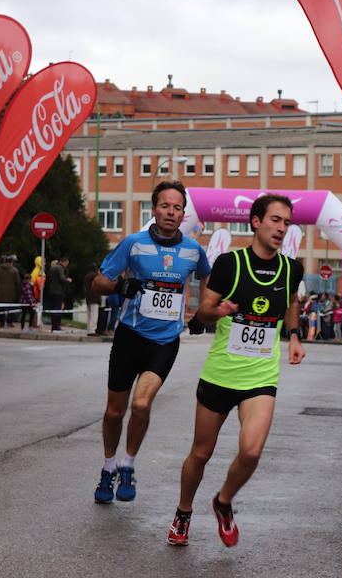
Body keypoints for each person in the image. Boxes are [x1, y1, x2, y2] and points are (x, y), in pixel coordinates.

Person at [167, 193, 304, 547]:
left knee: (252, 452)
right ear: (256, 222)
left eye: (286, 222)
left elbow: (290, 301)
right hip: (220, 374)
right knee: (201, 453)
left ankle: (223, 501)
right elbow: (202, 313)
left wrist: (294, 336)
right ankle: (183, 512)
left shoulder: (292, 268)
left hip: (260, 377)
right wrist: (220, 310)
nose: (281, 228)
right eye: (275, 220)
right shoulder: (229, 264)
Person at [91, 180, 210, 505]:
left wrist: (202, 312)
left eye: (177, 208)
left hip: (165, 341)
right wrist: (120, 287)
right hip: (129, 337)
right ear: (154, 209)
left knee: (142, 404)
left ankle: (128, 465)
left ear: (183, 213)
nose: (171, 213)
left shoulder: (193, 251)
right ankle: (108, 466)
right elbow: (99, 282)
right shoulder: (133, 244)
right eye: (165, 206)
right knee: (114, 412)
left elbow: (208, 280)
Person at [0, 255, 20, 328]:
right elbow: (17, 282)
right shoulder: (14, 270)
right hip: (11, 292)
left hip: (0, 292)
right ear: (11, 262)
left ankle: (2, 323)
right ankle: (9, 322)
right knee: (11, 308)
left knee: (1, 308)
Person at [46, 257, 71, 331]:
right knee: (58, 309)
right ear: (65, 262)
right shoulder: (60, 268)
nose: (67, 265)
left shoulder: (52, 268)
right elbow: (62, 279)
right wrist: (68, 280)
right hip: (59, 291)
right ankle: (56, 326)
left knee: (53, 309)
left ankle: (54, 325)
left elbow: (49, 278)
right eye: (67, 263)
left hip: (51, 291)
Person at [83, 263, 101, 336]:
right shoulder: (95, 276)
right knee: (94, 315)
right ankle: (92, 330)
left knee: (89, 315)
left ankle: (89, 329)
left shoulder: (87, 276)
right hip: (95, 297)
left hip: (88, 297)